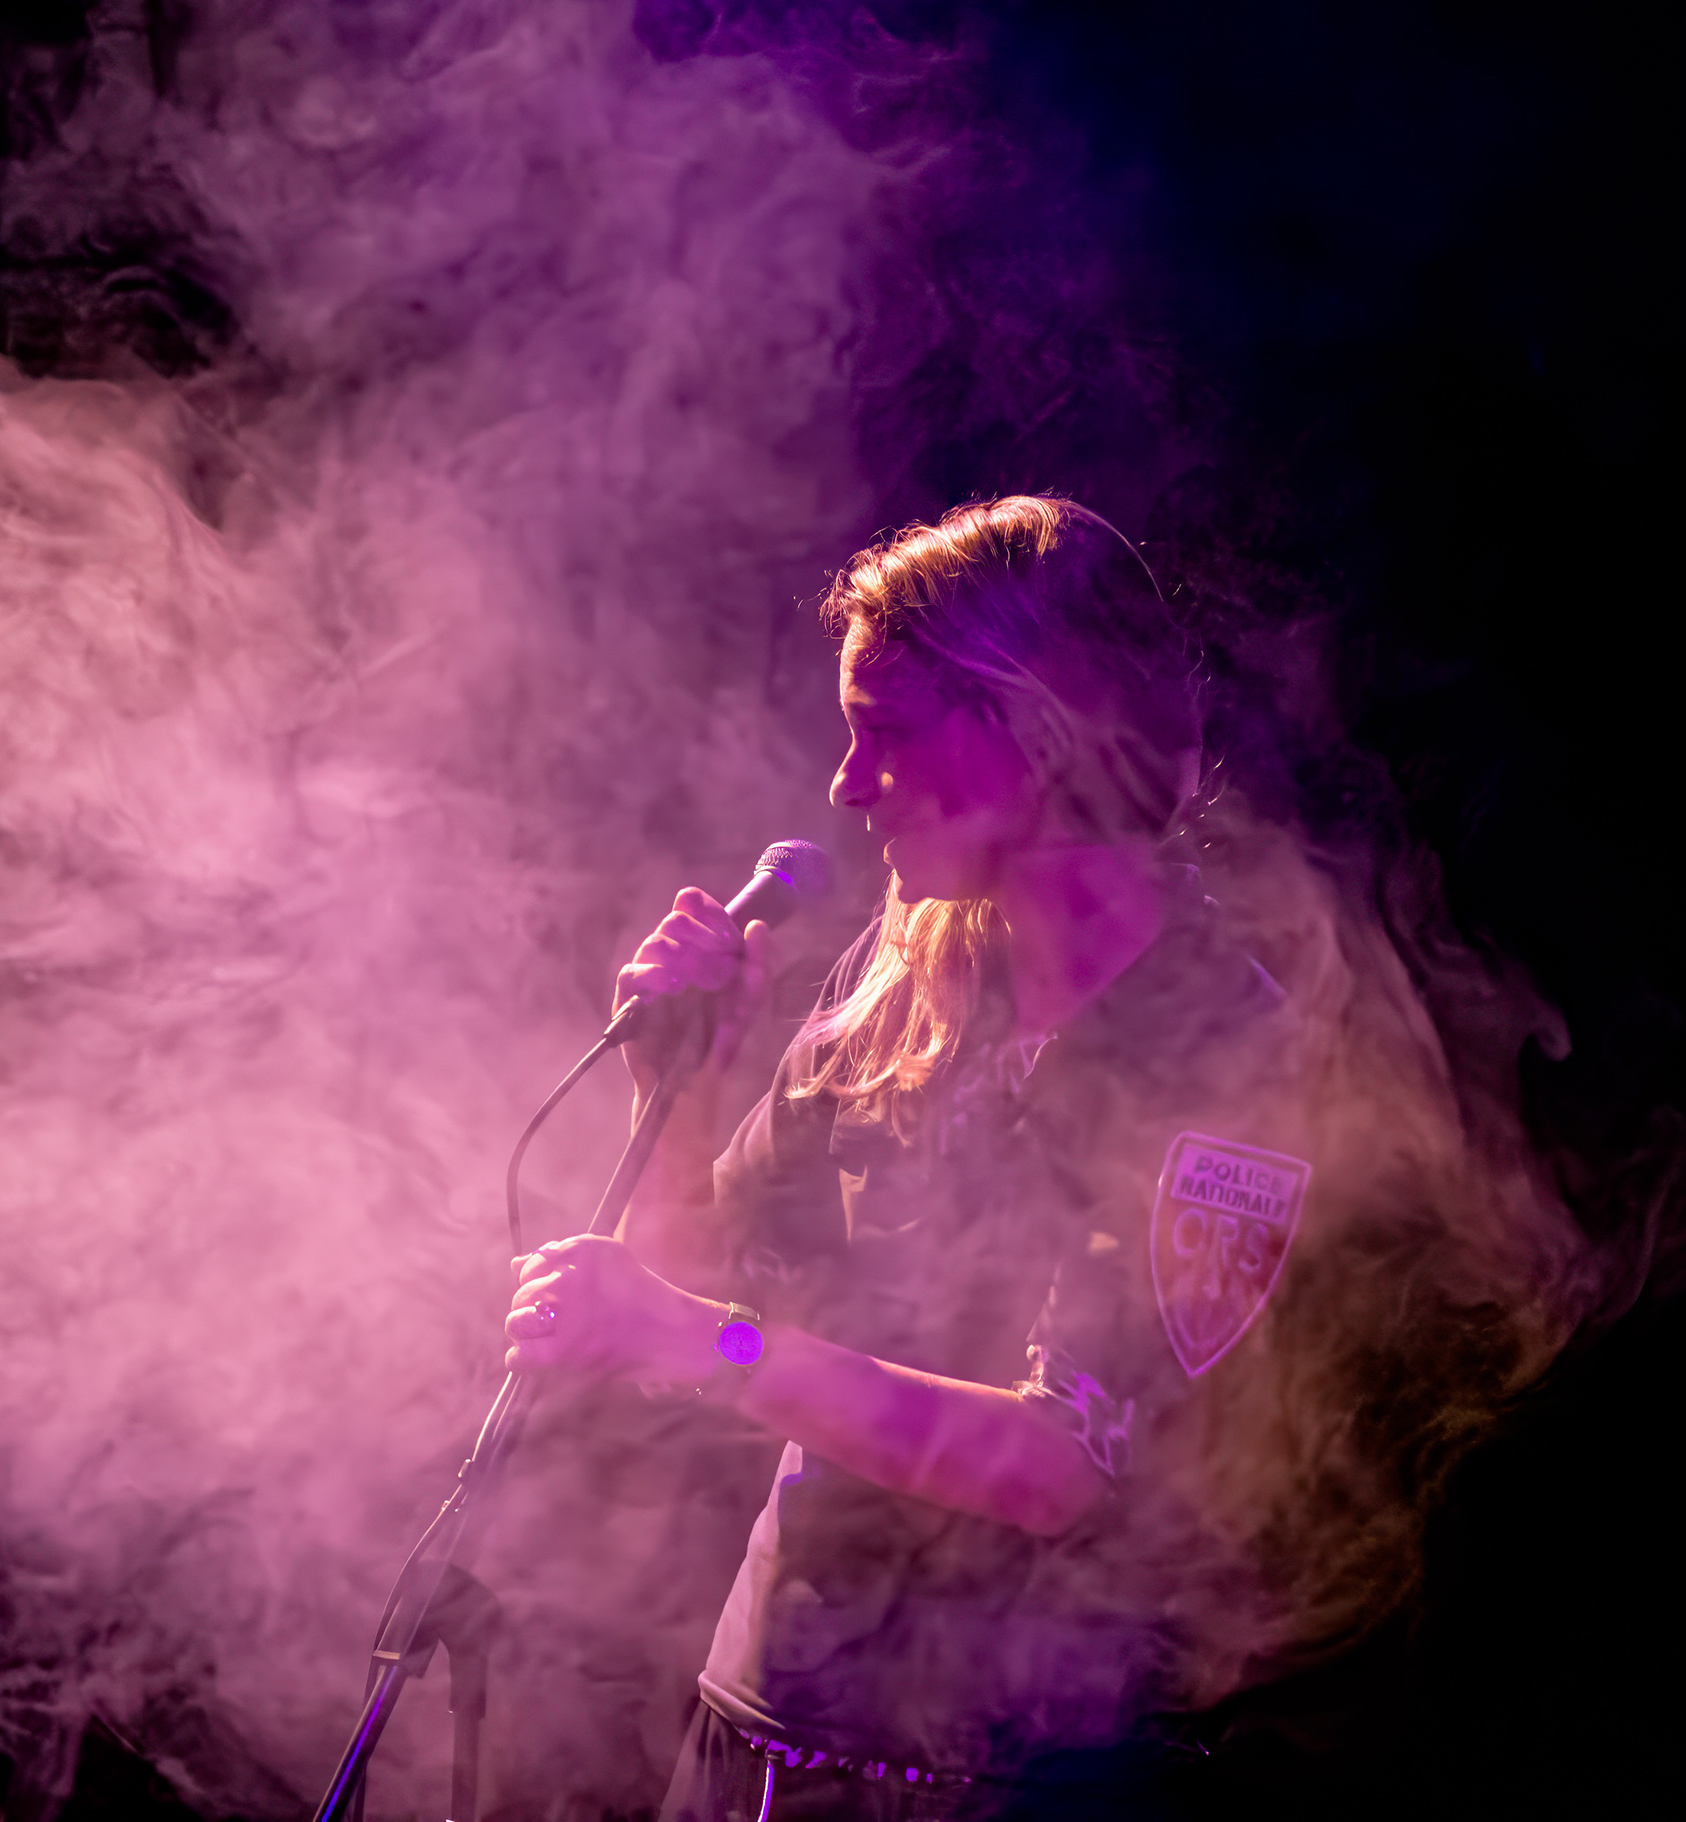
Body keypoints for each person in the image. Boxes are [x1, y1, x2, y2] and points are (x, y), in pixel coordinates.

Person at [504, 495, 1588, 1818]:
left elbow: (1055, 1465)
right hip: (754, 1733)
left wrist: (696, 1337)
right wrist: (679, 1091)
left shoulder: (1220, 1046)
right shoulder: (901, 993)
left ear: (1037, 737)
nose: (846, 784)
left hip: (1002, 1776)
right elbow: (690, 1298)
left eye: (886, 732)